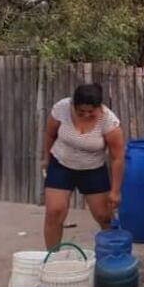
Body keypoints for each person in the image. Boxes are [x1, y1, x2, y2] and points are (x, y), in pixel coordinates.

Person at [41, 83, 125, 249]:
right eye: (81, 112)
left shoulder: (109, 122)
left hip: (92, 170)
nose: (86, 115)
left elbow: (117, 158)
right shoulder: (62, 109)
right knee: (54, 212)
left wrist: (115, 191)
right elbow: (50, 134)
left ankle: (112, 254)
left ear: (99, 107)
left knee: (104, 216)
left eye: (91, 112)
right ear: (73, 104)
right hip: (61, 164)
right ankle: (52, 257)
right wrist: (46, 158)